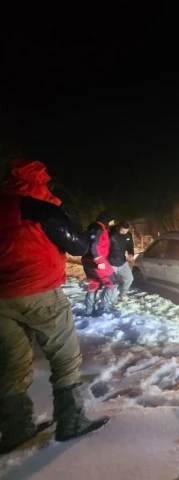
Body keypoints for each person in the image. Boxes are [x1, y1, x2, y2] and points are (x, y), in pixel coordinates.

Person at [0, 159, 109, 452]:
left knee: (12, 363)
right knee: (64, 356)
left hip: (1, 299)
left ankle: (15, 429)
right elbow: (78, 245)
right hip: (39, 292)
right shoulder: (37, 207)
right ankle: (71, 421)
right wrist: (90, 234)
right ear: (38, 181)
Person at [82, 211, 119, 315]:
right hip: (98, 261)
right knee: (113, 282)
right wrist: (99, 260)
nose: (113, 223)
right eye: (112, 221)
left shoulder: (93, 227)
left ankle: (89, 310)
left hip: (87, 261)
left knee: (94, 283)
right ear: (108, 219)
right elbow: (94, 245)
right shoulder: (99, 229)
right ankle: (104, 309)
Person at [108, 221, 135, 301]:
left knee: (129, 279)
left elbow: (130, 246)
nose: (124, 233)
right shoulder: (111, 235)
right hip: (111, 262)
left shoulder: (128, 235)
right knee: (112, 283)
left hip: (122, 262)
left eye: (126, 231)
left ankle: (122, 294)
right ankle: (110, 300)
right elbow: (104, 248)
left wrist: (131, 253)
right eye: (122, 231)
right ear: (118, 228)